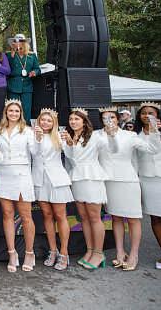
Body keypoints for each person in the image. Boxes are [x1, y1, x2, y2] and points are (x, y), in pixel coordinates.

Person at [97, 106, 160, 271]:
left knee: (133, 219)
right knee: (116, 217)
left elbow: (153, 149)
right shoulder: (97, 135)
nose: (109, 121)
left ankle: (134, 254)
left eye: (112, 117)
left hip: (128, 180)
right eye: (105, 118)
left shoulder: (130, 135)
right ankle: (120, 252)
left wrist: (154, 132)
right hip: (108, 181)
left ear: (118, 119)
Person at [60, 108, 109, 270]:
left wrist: (110, 130)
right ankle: (89, 250)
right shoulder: (70, 137)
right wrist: (69, 143)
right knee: (84, 217)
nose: (73, 122)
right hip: (77, 178)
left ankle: (99, 253)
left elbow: (109, 146)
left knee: (94, 217)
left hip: (91, 177)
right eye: (71, 119)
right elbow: (71, 158)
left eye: (77, 119)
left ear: (84, 121)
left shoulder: (95, 136)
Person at [0, 99, 36, 273]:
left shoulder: (28, 131)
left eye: (16, 111)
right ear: (6, 112)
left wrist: (38, 139)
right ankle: (12, 253)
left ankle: (29, 253)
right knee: (7, 215)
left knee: (26, 216)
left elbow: (35, 152)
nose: (13, 113)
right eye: (10, 111)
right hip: (4, 175)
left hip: (22, 175)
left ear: (21, 113)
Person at [31, 109, 73, 271]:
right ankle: (53, 250)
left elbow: (70, 154)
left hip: (57, 180)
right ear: (38, 121)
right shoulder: (33, 136)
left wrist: (69, 141)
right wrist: (38, 138)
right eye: (43, 120)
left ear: (54, 123)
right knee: (47, 216)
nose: (45, 123)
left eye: (49, 120)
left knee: (60, 216)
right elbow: (34, 152)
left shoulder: (59, 135)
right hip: (40, 180)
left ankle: (64, 252)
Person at [134, 102, 161, 270]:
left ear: (157, 115)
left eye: (150, 113)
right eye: (143, 113)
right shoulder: (135, 135)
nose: (147, 115)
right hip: (146, 179)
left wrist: (156, 131)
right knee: (156, 218)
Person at [5, 34, 40, 123]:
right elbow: (7, 69)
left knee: (26, 109)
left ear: (25, 43)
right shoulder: (8, 55)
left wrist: (34, 72)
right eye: (16, 41)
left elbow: (37, 68)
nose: (19, 43)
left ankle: (26, 127)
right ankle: (12, 126)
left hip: (27, 85)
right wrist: (13, 54)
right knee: (12, 108)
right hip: (13, 85)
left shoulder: (32, 55)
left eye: (21, 41)